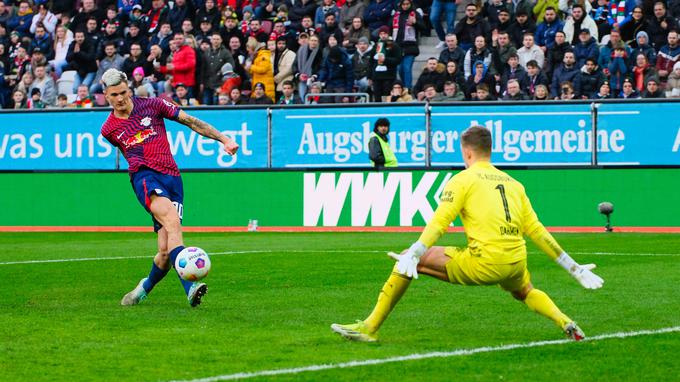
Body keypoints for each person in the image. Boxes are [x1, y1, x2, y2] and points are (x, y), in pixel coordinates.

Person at [331, 125, 603, 343]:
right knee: (524, 291)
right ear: (489, 150)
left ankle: (370, 327)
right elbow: (537, 231)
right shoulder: (514, 184)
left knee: (408, 259)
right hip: (516, 262)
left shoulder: (463, 179)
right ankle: (565, 321)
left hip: (485, 264)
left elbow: (440, 222)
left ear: (467, 152)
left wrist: (415, 252)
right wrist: (574, 268)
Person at [100, 69, 239, 307]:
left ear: (129, 88)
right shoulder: (109, 129)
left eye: (123, 92)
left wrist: (224, 139)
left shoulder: (154, 105)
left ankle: (141, 290)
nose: (120, 98)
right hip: (144, 178)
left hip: (172, 178)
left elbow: (191, 122)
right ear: (106, 95)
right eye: (114, 95)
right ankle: (190, 287)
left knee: (164, 254)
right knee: (173, 222)